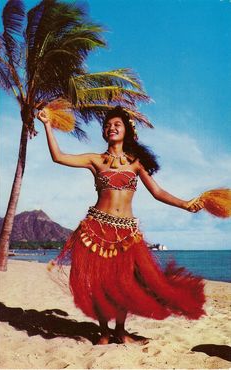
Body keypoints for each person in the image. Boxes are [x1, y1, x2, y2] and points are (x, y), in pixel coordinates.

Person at [37, 105, 205, 345]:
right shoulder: (95, 160)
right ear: (104, 133)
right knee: (99, 284)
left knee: (124, 284)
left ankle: (120, 331)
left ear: (127, 131)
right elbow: (58, 156)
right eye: (108, 125)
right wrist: (47, 125)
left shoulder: (136, 163)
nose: (111, 127)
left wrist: (186, 204)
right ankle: (105, 333)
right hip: (96, 229)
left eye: (117, 124)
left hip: (126, 232)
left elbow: (158, 192)